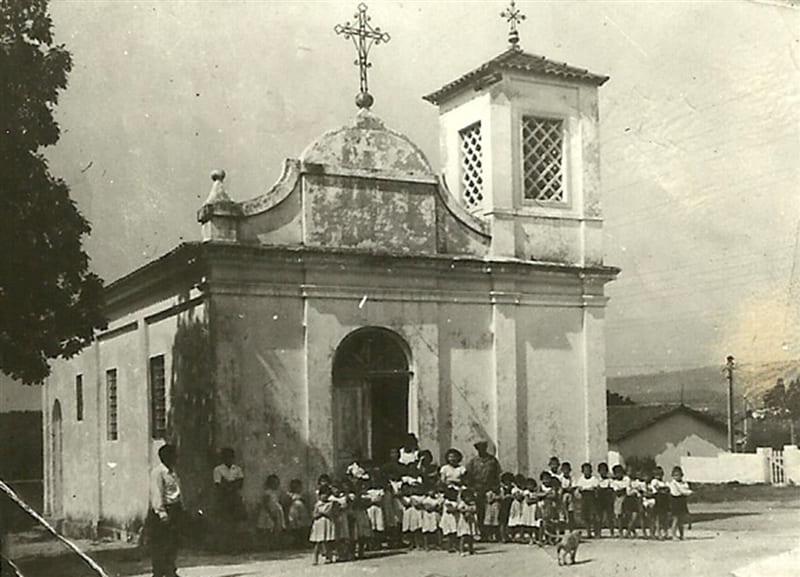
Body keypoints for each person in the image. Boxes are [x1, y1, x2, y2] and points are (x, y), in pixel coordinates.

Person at [149, 444, 183, 577]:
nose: (176, 458)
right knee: (162, 543)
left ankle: (170, 571)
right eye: (174, 455)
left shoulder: (173, 472)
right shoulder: (158, 472)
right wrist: (162, 513)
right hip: (164, 512)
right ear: (166, 457)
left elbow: (177, 492)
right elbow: (157, 493)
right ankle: (159, 573)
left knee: (173, 543)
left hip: (175, 509)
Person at [465, 440, 500, 538]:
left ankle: (490, 534)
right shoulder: (473, 461)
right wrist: (471, 489)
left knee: (490, 512)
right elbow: (469, 476)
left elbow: (497, 475)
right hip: (477, 488)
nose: (481, 450)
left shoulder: (492, 460)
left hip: (490, 488)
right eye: (479, 448)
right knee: (479, 511)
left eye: (483, 447)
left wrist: (495, 488)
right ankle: (481, 533)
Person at [212, 448, 244, 550]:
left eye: (230, 457)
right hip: (224, 499)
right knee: (225, 522)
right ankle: (224, 546)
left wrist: (228, 484)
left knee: (235, 522)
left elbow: (240, 484)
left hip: (234, 498)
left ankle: (235, 546)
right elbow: (218, 485)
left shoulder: (237, 469)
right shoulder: (218, 469)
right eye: (226, 457)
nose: (229, 459)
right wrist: (230, 485)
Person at [309, 485, 336, 564]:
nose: (324, 496)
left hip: (327, 523)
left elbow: (330, 513)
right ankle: (315, 559)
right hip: (319, 524)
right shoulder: (317, 504)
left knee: (328, 542)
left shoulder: (330, 504)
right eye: (323, 494)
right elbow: (314, 514)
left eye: (327, 495)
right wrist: (319, 513)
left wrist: (322, 513)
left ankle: (329, 557)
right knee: (318, 542)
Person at [668, 466, 693, 540]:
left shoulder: (684, 483)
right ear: (672, 476)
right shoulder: (673, 483)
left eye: (678, 475)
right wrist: (688, 492)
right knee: (675, 518)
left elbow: (687, 490)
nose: (677, 477)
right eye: (675, 475)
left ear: (681, 475)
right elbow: (679, 492)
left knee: (681, 519)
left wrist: (687, 492)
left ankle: (682, 534)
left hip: (682, 501)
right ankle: (673, 535)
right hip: (675, 501)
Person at [575, 462, 599, 538]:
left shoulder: (594, 479)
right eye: (585, 470)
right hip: (584, 499)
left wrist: (587, 488)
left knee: (593, 516)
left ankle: (596, 532)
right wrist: (587, 488)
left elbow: (595, 488)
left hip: (592, 499)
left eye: (588, 470)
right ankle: (588, 532)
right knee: (586, 517)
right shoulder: (581, 479)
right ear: (582, 471)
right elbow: (580, 488)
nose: (587, 471)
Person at [287, 479, 311, 548]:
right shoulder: (290, 495)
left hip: (302, 510)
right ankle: (296, 543)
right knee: (295, 526)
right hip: (294, 510)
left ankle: (302, 542)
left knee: (303, 526)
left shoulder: (302, 495)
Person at [610, 464, 631, 538]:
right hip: (618, 499)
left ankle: (629, 531)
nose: (619, 474)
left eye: (620, 472)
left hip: (627, 498)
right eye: (617, 473)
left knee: (628, 515)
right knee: (619, 516)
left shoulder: (627, 479)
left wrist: (622, 490)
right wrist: (622, 490)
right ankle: (620, 531)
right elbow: (617, 492)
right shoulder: (613, 482)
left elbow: (627, 489)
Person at [456, 488, 478, 556]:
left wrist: (471, 511)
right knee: (464, 536)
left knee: (470, 536)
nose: (468, 498)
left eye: (470, 497)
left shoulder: (472, 504)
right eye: (467, 497)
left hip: (471, 521)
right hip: (464, 522)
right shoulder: (462, 503)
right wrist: (465, 511)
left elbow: (475, 510)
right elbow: (459, 509)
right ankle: (461, 550)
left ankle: (471, 549)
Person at [650, 466, 671, 540]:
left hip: (665, 500)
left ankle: (665, 532)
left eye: (660, 473)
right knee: (657, 518)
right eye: (656, 474)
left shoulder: (664, 482)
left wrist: (664, 490)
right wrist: (663, 490)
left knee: (665, 517)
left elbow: (668, 489)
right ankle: (657, 533)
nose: (658, 475)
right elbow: (655, 491)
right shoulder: (654, 481)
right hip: (658, 500)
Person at [596, 462, 614, 537]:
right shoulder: (597, 480)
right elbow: (596, 489)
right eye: (601, 470)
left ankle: (612, 533)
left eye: (604, 470)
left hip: (608, 499)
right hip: (599, 500)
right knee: (599, 517)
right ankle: (598, 533)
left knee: (610, 516)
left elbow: (612, 489)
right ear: (599, 471)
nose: (603, 472)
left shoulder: (609, 480)